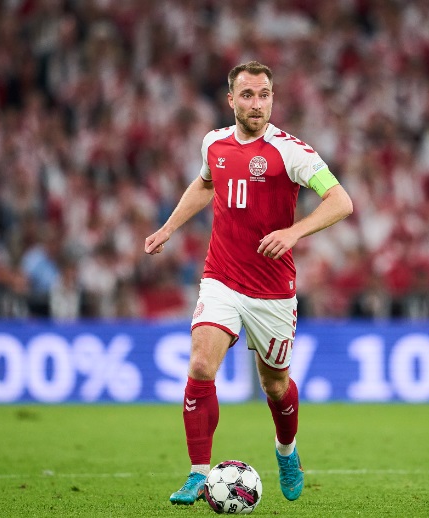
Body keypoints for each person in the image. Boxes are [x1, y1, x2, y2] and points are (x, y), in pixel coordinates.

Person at [144, 61, 353, 505]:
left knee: (275, 385)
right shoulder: (214, 143)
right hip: (221, 278)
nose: (256, 104)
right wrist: (168, 227)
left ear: (272, 99)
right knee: (201, 365)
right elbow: (206, 184)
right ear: (231, 100)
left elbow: (341, 201)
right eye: (247, 95)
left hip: (272, 291)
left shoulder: (291, 152)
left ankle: (287, 451)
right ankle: (198, 473)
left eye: (264, 95)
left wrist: (294, 232)